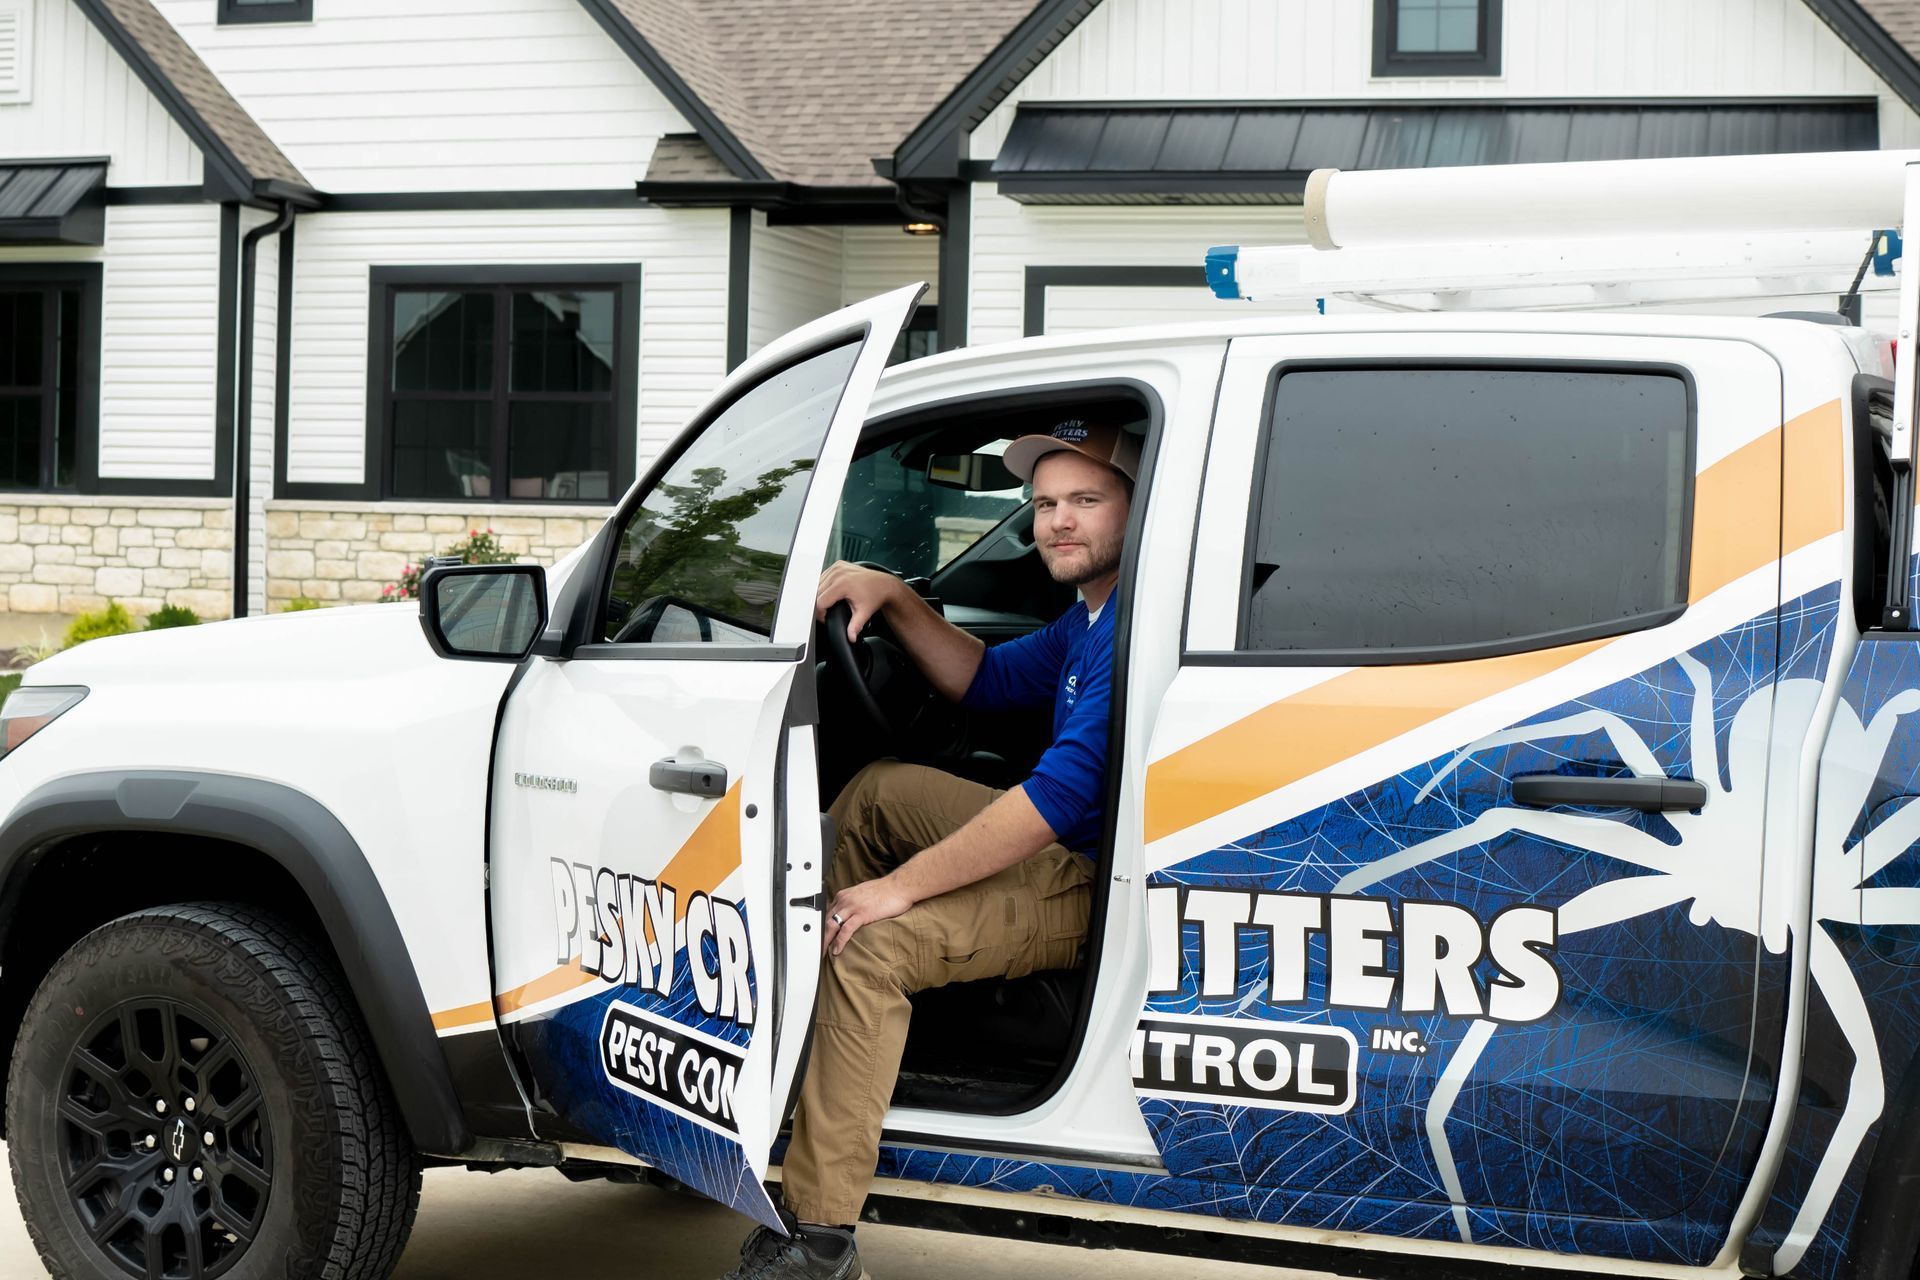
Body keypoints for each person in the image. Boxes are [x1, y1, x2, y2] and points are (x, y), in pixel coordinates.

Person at [721, 418, 1141, 1280]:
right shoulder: (1090, 616)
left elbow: (1055, 800)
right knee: (877, 790)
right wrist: (898, 597)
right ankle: (809, 1043)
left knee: (871, 948)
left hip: (1101, 879)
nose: (1059, 521)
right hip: (1068, 848)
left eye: (1087, 501)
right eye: (1047, 503)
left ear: (1137, 508)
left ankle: (819, 1235)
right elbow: (985, 682)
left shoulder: (1137, 629)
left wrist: (895, 891)